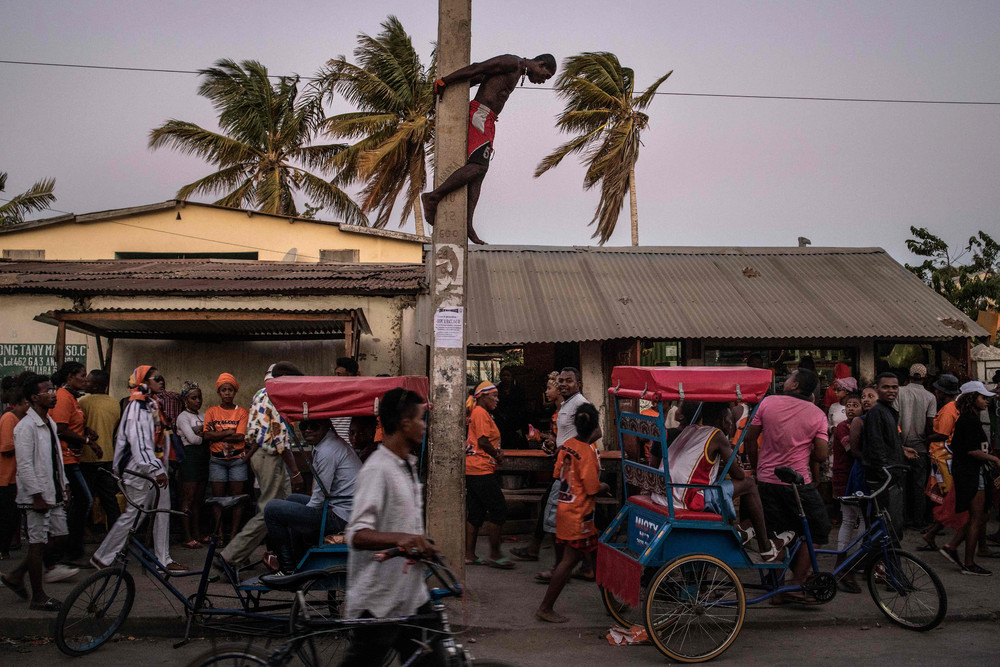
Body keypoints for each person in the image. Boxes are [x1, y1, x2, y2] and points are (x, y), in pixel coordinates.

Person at [340, 388, 437, 666]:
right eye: (421, 419)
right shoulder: (377, 469)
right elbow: (357, 534)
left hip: (409, 594)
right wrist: (404, 539)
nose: (424, 425)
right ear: (405, 423)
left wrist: (422, 544)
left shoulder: (405, 464)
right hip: (379, 603)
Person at [421, 53, 557, 244]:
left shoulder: (518, 71)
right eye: (546, 75)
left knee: (479, 175)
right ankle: (433, 197)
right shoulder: (512, 62)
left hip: (489, 119)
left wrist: (461, 86)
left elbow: (480, 78)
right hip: (480, 115)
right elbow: (478, 67)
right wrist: (445, 82)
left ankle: (468, 224)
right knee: (478, 166)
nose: (543, 81)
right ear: (540, 64)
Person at [651, 402, 792, 561]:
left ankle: (738, 530)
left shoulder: (692, 429)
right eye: (729, 419)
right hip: (685, 498)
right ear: (722, 418)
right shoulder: (717, 436)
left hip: (666, 493)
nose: (731, 423)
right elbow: (739, 474)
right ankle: (765, 547)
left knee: (722, 484)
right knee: (750, 484)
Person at [745, 368, 830, 602]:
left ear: (796, 385)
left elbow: (750, 438)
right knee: (818, 530)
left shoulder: (768, 403)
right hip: (797, 483)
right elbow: (822, 455)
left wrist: (756, 467)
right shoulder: (817, 414)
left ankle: (776, 588)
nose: (786, 379)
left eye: (790, 377)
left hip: (766, 480)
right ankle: (796, 583)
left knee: (775, 533)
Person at [91, 366, 186, 573]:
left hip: (152, 468)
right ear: (144, 382)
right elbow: (140, 443)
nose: (162, 382)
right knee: (135, 515)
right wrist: (155, 468)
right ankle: (104, 557)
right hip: (141, 470)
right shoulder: (139, 407)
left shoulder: (151, 403)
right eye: (157, 378)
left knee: (161, 511)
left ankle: (163, 559)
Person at [222, 363, 305, 569]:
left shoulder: (261, 392)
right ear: (283, 376)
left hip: (262, 455)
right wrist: (295, 472)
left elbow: (259, 433)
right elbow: (279, 438)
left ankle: (286, 556)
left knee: (285, 506)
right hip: (270, 456)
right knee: (270, 511)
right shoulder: (275, 395)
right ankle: (231, 555)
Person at [1, 374, 70, 610]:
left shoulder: (48, 422)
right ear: (33, 397)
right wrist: (36, 495)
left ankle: (16, 575)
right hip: (37, 495)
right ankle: (38, 596)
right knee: (37, 543)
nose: (53, 394)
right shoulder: (25, 427)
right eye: (47, 390)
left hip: (53, 491)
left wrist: (65, 484)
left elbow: (55, 458)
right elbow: (25, 464)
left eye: (53, 389)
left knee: (60, 536)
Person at [535, 403, 608, 623]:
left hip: (565, 509)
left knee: (596, 558)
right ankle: (545, 607)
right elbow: (592, 488)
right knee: (568, 561)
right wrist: (604, 486)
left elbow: (558, 474)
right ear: (594, 428)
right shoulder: (586, 452)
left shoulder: (566, 445)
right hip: (579, 515)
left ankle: (612, 603)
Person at [264, 418, 359, 574]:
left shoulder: (328, 450)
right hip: (340, 507)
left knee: (271, 509)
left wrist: (301, 515)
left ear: (326, 426)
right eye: (303, 426)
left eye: (314, 426)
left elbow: (318, 500)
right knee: (292, 500)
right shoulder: (327, 444)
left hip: (342, 516)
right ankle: (298, 561)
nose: (307, 430)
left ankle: (286, 568)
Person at [938, 382, 1000, 576]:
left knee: (979, 516)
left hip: (972, 472)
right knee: (977, 518)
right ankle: (968, 562)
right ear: (972, 398)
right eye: (982, 397)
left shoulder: (971, 418)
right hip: (970, 473)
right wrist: (994, 459)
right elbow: (971, 450)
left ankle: (953, 547)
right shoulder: (968, 420)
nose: (986, 401)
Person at [50, 361, 99, 565]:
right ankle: (71, 549)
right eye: (81, 375)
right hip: (65, 458)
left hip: (73, 456)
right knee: (83, 500)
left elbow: (73, 424)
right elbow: (61, 429)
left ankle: (72, 547)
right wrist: (88, 441)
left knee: (79, 502)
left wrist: (86, 431)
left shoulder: (72, 398)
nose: (85, 379)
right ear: (69, 377)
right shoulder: (62, 397)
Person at [511, 371, 561, 563]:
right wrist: (547, 441)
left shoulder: (564, 412)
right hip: (561, 468)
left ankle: (556, 561)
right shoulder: (557, 413)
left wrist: (552, 444)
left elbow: (569, 443)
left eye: (549, 388)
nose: (546, 392)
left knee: (555, 510)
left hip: (568, 470)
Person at [464, 381, 514, 569]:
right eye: (494, 395)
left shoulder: (480, 413)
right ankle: (494, 554)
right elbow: (483, 441)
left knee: (476, 511)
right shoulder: (480, 413)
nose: (497, 399)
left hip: (475, 469)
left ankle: (469, 555)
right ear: (482, 396)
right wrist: (497, 455)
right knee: (499, 508)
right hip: (480, 468)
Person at [862, 372, 910, 541]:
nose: (891, 391)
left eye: (894, 387)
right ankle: (882, 565)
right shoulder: (876, 413)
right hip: (884, 480)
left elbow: (887, 444)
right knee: (887, 530)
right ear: (877, 389)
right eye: (886, 387)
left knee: (891, 528)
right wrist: (888, 476)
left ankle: (881, 565)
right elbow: (876, 448)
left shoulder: (888, 411)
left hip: (891, 478)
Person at [203, 373, 250, 543]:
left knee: (238, 499)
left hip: (238, 460)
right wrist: (229, 432)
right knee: (218, 499)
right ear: (219, 392)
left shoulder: (242, 412)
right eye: (224, 390)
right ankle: (220, 535)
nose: (227, 393)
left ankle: (235, 535)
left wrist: (218, 435)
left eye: (230, 390)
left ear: (235, 392)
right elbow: (206, 436)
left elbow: (240, 437)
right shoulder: (211, 411)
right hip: (217, 461)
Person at [920, 374, 962, 550]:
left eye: (937, 389)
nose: (935, 391)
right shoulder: (952, 407)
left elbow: (942, 434)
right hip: (943, 457)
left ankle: (934, 531)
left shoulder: (948, 409)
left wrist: (925, 439)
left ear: (942, 392)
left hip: (944, 458)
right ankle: (933, 531)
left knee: (944, 497)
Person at [78, 369, 122, 535]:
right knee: (109, 500)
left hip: (87, 457)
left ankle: (84, 532)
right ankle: (115, 537)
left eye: (87, 381)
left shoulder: (83, 402)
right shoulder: (114, 403)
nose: (84, 383)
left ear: (96, 386)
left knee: (83, 499)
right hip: (108, 457)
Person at [895, 364, 937, 528]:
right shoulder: (930, 397)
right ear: (925, 378)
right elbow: (930, 424)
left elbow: (895, 419)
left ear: (909, 376)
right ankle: (918, 520)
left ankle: (903, 519)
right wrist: (928, 440)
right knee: (919, 486)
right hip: (920, 448)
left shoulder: (899, 391)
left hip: (901, 446)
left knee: (901, 485)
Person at [831, 391, 865, 592]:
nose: (851, 408)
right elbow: (851, 450)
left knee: (856, 520)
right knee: (852, 520)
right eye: (849, 406)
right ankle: (847, 560)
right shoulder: (843, 427)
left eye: (855, 405)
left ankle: (848, 559)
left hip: (855, 479)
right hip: (846, 479)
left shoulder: (859, 425)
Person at [175, 382, 208, 548]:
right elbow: (194, 439)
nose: (198, 401)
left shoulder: (202, 415)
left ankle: (197, 533)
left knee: (198, 500)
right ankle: (187, 536)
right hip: (190, 459)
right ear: (185, 399)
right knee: (187, 498)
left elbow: (200, 436)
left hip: (202, 459)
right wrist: (206, 436)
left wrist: (203, 435)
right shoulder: (182, 417)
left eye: (199, 397)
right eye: (193, 398)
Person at [0, 383, 30, 559]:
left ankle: (5, 548)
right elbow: (6, 448)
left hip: (14, 477)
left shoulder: (20, 421)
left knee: (11, 516)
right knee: (6, 516)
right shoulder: (9, 419)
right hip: (5, 477)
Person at [494, 366, 528, 449]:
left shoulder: (518, 389)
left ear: (512, 377)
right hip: (501, 422)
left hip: (516, 421)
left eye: (508, 375)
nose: (505, 377)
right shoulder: (496, 390)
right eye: (503, 375)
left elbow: (522, 405)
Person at [331, 357, 359, 441]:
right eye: (335, 374)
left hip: (351, 441)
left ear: (350, 374)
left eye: (339, 374)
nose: (335, 377)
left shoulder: (358, 392)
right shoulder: (332, 393)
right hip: (335, 442)